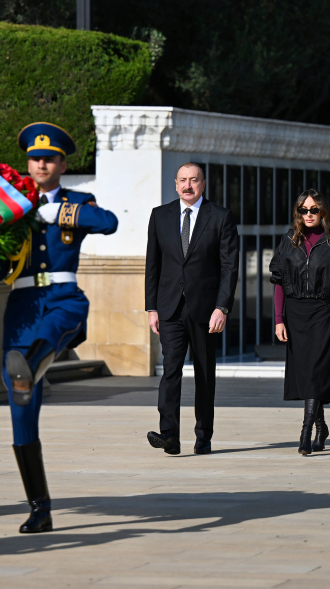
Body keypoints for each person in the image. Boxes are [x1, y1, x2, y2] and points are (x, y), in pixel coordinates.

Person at [0, 122, 118, 533]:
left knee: (55, 329)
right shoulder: (10, 204)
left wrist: (59, 212)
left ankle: (34, 362)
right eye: (35, 159)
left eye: (50, 159)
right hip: (22, 307)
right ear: (28, 163)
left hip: (62, 297)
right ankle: (39, 508)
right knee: (21, 410)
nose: (41, 164)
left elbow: (108, 222)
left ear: (62, 165)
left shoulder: (76, 201)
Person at [145, 163, 239, 456]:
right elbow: (153, 265)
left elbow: (229, 267)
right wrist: (151, 308)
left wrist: (222, 307)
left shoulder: (220, 216)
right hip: (170, 308)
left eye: (194, 180)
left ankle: (203, 435)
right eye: (183, 180)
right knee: (170, 370)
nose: (188, 185)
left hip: (205, 310)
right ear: (176, 184)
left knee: (204, 374)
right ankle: (169, 436)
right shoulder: (160, 215)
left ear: (203, 184)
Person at [269, 189, 330, 455]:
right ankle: (321, 426)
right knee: (306, 373)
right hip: (296, 313)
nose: (308, 215)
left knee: (317, 370)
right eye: (303, 210)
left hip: (324, 312)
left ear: (323, 211)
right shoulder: (289, 240)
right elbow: (279, 282)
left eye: (314, 210)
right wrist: (279, 319)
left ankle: (306, 432)